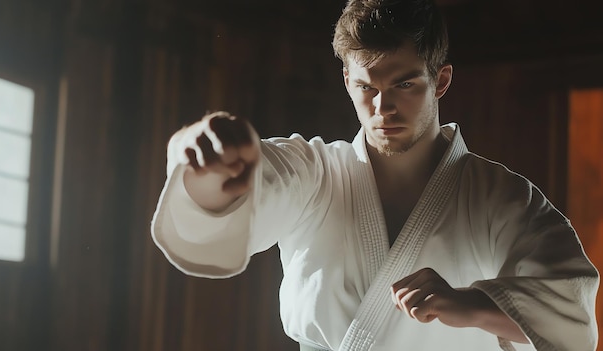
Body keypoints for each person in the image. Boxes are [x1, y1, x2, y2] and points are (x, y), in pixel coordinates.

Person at [151, 0, 599, 350]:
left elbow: (570, 311)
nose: (382, 108)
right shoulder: (315, 173)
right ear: (347, 80)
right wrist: (202, 154)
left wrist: (472, 304)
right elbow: (245, 185)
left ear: (440, 80)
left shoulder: (504, 198)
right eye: (367, 87)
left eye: (404, 84)